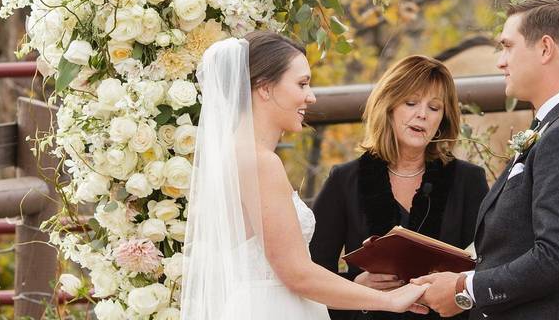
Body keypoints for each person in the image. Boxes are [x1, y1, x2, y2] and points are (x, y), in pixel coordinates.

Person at [181, 32, 429, 320]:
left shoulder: (234, 156)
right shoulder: (260, 162)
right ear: (264, 87)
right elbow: (297, 274)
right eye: (302, 84)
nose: (310, 97)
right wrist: (389, 300)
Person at [413, 0, 559, 319]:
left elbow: (557, 257)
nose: (500, 61)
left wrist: (464, 289)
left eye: (508, 47)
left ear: (545, 49)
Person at [310, 55, 489, 320]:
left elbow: (487, 269)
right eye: (411, 102)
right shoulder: (344, 180)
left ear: (443, 118)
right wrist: (357, 289)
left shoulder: (469, 180)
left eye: (434, 107)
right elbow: (314, 274)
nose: (422, 115)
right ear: (389, 106)